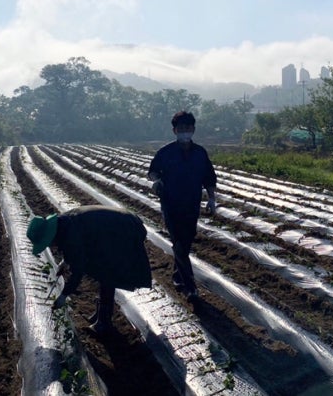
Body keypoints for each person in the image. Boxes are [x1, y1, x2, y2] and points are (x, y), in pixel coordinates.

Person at [26, 205, 152, 334]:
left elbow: (78, 270)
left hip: (126, 229)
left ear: (49, 235)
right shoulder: (64, 222)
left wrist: (64, 295)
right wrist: (65, 262)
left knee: (107, 272)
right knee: (100, 267)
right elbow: (76, 246)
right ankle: (101, 315)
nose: (49, 245)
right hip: (118, 226)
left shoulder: (70, 232)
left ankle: (104, 323)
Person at [148, 111, 217, 302]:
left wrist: (211, 199)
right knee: (179, 242)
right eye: (181, 129)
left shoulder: (200, 153)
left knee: (186, 242)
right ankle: (190, 287)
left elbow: (209, 177)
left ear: (193, 129)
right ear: (174, 130)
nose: (184, 132)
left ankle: (178, 276)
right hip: (170, 204)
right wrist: (157, 181)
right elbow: (153, 171)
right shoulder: (166, 152)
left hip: (192, 204)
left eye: (188, 128)